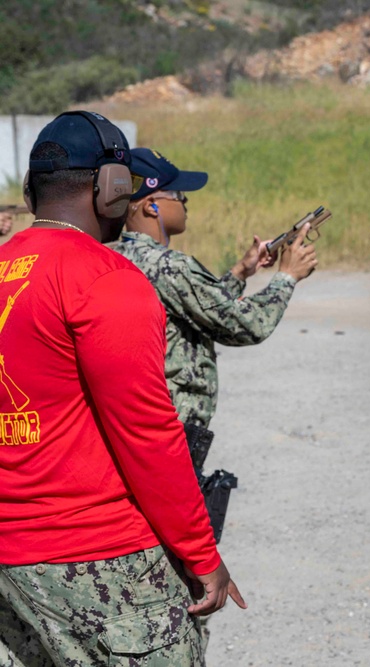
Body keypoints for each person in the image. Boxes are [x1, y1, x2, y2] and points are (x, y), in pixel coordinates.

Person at [0, 111, 245, 666]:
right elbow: (148, 434)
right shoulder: (104, 278)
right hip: (97, 551)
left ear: (32, 188)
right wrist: (201, 554)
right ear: (111, 189)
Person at [116, 148, 317, 441]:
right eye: (178, 195)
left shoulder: (118, 255)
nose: (185, 202)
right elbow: (245, 325)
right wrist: (287, 276)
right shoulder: (170, 266)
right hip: (174, 428)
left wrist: (240, 271)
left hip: (143, 421)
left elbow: (197, 308)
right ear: (151, 206)